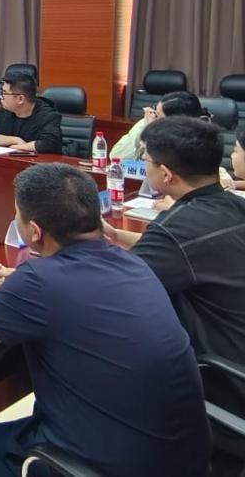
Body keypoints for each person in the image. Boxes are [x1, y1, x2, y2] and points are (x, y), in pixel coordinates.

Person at [0, 163, 210, 477]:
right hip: (184, 458)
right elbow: (75, 289)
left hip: (107, 465)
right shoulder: (132, 262)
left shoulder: (41, 282)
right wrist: (18, 281)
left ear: (34, 231)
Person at [103, 117, 245, 366]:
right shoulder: (234, 205)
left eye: (146, 159)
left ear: (166, 174)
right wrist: (115, 234)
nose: (144, 164)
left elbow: (115, 287)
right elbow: (184, 250)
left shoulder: (176, 227)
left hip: (222, 365)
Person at [0, 71, 62, 153]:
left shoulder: (48, 116)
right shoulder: (5, 111)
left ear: (20, 99)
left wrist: (15, 147)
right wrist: (15, 140)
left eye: (4, 93)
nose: (0, 97)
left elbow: (49, 144)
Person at [111, 90, 211, 160]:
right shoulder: (149, 122)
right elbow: (116, 157)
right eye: (155, 109)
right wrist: (144, 130)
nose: (153, 116)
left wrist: (150, 137)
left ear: (176, 123)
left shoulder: (197, 140)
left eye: (158, 115)